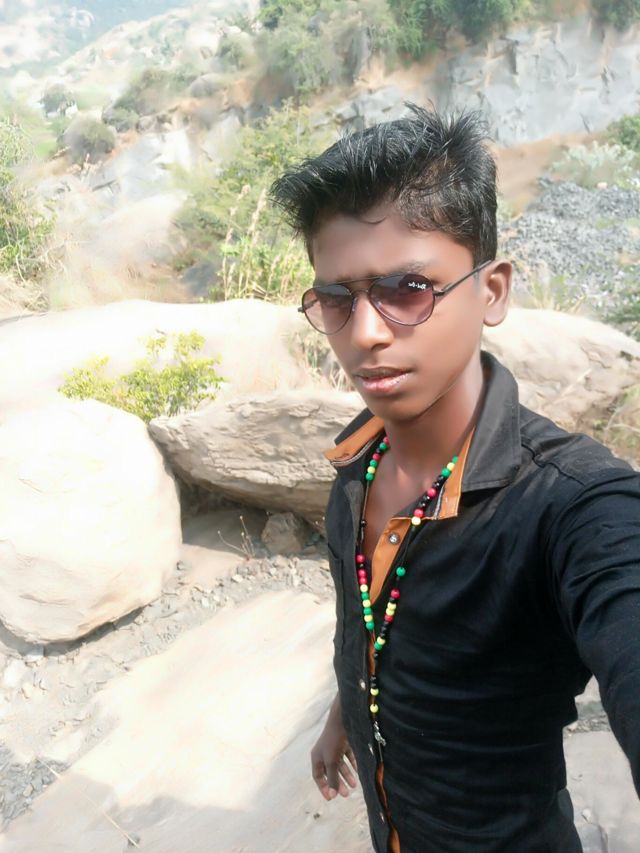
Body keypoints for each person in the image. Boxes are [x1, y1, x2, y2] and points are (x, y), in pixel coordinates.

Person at [269, 104, 640, 852]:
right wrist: (345, 714)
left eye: (408, 287)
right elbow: (365, 624)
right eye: (336, 298)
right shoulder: (357, 464)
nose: (365, 333)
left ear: (492, 290)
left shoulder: (569, 505)